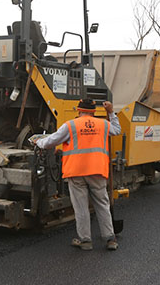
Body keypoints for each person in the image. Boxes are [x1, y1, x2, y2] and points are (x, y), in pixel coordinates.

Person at [32, 99, 121, 251]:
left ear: (79, 110)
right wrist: (111, 112)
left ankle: (85, 241)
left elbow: (50, 141)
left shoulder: (71, 125)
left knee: (81, 207)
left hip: (77, 172)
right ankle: (110, 239)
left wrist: (38, 142)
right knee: (102, 204)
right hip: (98, 171)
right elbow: (117, 130)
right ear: (93, 111)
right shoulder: (103, 124)